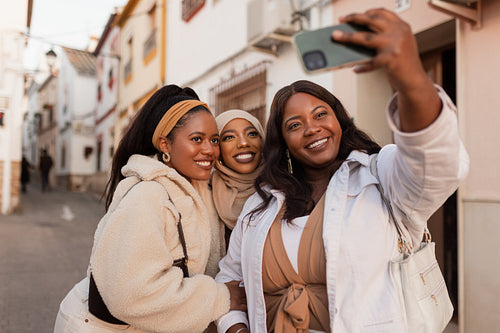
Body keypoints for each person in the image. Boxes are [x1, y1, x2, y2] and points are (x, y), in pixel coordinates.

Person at [215, 8, 469, 333]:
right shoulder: (261, 206)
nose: (312, 128)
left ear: (339, 119)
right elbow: (230, 278)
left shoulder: (381, 178)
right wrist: (236, 328)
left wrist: (410, 78)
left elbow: (436, 164)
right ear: (283, 141)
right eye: (295, 124)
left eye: (321, 114)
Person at [54, 84, 246, 333]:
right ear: (165, 144)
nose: (209, 149)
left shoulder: (198, 190)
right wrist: (221, 297)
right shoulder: (147, 195)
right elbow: (133, 294)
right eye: (196, 139)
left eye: (214, 140)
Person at [211, 110, 265, 246]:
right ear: (218, 149)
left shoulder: (282, 187)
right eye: (229, 137)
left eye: (252, 134)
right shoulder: (205, 194)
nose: (243, 143)